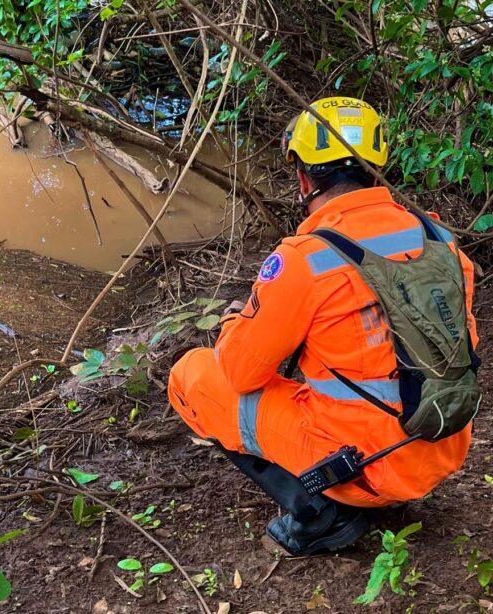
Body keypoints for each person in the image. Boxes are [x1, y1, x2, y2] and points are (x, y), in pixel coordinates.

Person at [167, 96, 479, 556]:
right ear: (377, 167)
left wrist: (237, 321)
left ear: (303, 176)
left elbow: (239, 374)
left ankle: (321, 512)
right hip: (443, 446)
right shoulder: (440, 238)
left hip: (365, 469)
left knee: (193, 376)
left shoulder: (306, 259)